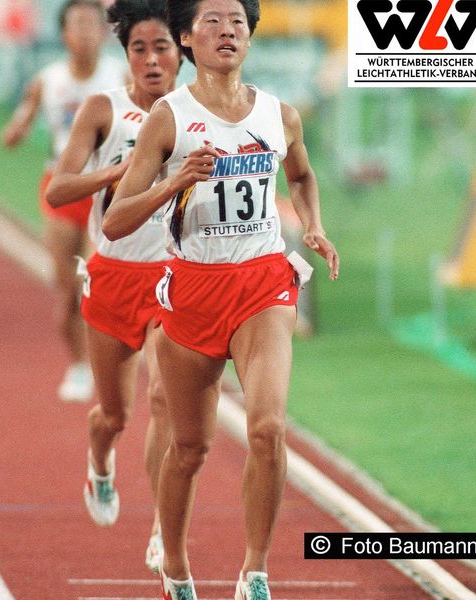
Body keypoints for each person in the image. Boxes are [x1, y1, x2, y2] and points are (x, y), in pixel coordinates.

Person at [102, 0, 340, 598]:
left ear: (250, 37)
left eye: (238, 21)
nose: (227, 30)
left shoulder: (279, 115)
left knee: (268, 429)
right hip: (192, 291)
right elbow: (115, 222)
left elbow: (304, 175)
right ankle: (176, 566)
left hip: (262, 284)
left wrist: (312, 225)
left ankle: (254, 571)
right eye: (212, 20)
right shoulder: (168, 119)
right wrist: (177, 180)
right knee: (189, 448)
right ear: (186, 37)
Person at [44, 0, 182, 574]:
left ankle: (162, 530)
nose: (151, 61)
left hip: (173, 280)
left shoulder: (197, 116)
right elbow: (58, 191)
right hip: (114, 274)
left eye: (162, 49)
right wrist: (117, 174)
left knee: (164, 400)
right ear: (125, 55)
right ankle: (100, 462)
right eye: (138, 50)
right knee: (115, 415)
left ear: (183, 52)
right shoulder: (106, 108)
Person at [1, 0, 127, 402]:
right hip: (61, 186)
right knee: (67, 292)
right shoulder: (47, 80)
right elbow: (17, 125)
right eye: (78, 24)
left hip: (105, 188)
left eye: (94, 24)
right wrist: (18, 127)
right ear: (64, 34)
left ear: (104, 32)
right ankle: (77, 365)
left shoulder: (119, 75)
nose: (87, 32)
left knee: (94, 280)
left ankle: (107, 361)